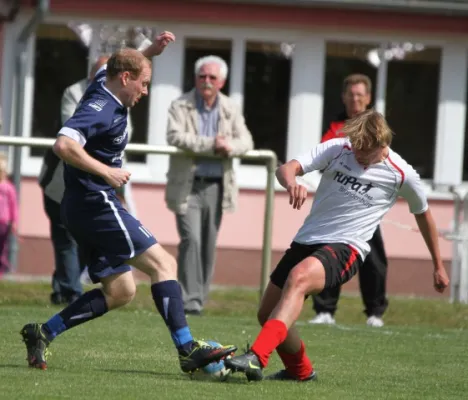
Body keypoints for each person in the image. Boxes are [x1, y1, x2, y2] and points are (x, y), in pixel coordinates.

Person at [20, 31, 236, 372]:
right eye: (144, 83)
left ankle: (43, 332)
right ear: (125, 79)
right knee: (163, 264)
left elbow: (124, 61)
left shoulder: (103, 85)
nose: (145, 91)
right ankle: (186, 350)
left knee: (121, 290)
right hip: (95, 201)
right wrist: (105, 171)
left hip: (82, 206)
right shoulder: (102, 108)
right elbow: (63, 145)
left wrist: (151, 50)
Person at [225, 109, 450, 382]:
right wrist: (291, 182)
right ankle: (301, 371)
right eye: (355, 146)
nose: (357, 154)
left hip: (347, 248)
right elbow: (286, 168)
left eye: (364, 150)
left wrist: (438, 265)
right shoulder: (338, 148)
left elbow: (424, 215)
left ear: (382, 145)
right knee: (266, 313)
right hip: (307, 239)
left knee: (299, 277)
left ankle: (257, 357)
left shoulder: (402, 174)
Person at [165, 55, 253, 315]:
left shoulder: (230, 107)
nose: (206, 81)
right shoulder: (180, 104)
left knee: (208, 243)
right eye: (202, 76)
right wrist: (211, 144)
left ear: (222, 82)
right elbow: (174, 136)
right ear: (195, 78)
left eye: (212, 77)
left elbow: (246, 141)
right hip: (187, 184)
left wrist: (229, 146)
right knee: (190, 239)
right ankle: (189, 300)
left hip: (217, 186)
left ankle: (198, 299)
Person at [310, 73, 388, 328]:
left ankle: (375, 313)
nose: (355, 99)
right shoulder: (334, 126)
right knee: (327, 257)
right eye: (351, 94)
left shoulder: (378, 127)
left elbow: (385, 160)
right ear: (344, 97)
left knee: (373, 260)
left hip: (366, 207)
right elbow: (324, 157)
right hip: (336, 209)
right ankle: (324, 311)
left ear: (368, 98)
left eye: (360, 95)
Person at [38, 57, 109, 305]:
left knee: (79, 236)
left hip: (92, 181)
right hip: (59, 181)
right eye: (100, 72)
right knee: (65, 236)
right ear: (92, 74)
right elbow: (75, 134)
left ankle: (62, 288)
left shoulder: (117, 97)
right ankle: (71, 292)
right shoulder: (74, 92)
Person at [0, 151, 18, 278]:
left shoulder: (8, 188)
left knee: (2, 247)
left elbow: (13, 206)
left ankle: (1, 270)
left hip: (3, 223)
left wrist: (14, 222)